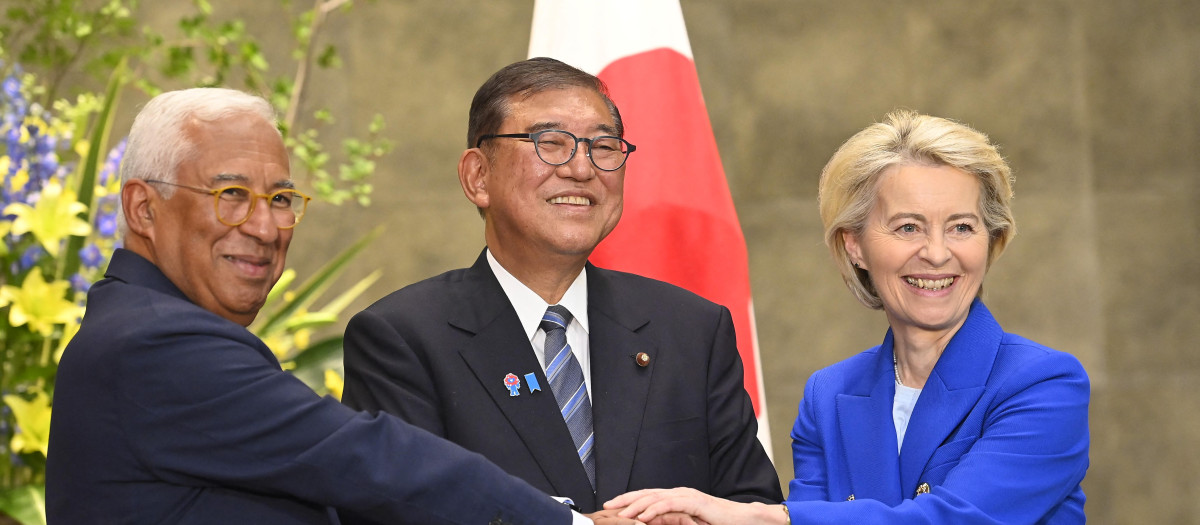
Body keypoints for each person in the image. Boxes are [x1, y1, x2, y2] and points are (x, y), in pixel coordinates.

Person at [45, 87, 641, 525]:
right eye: (231, 194)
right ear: (143, 209)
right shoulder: (154, 344)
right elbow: (367, 458)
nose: (264, 227)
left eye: (281, 199)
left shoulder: (144, 330)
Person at [339, 57, 782, 515]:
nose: (581, 169)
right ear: (478, 176)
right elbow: (398, 512)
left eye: (603, 146)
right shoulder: (403, 338)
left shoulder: (691, 329)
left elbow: (754, 509)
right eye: (550, 143)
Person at [606, 109, 1090, 524]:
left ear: (991, 240)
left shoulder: (1043, 383)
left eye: (962, 227)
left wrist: (765, 516)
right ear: (854, 245)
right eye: (908, 227)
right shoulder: (828, 395)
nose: (937, 253)